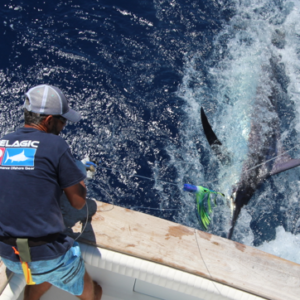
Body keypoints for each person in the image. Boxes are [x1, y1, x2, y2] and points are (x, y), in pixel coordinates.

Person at [0, 84, 102, 300]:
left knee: (38, 277)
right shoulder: (56, 145)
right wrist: (78, 174)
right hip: (47, 255)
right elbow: (78, 203)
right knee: (95, 292)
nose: (63, 126)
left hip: (8, 254)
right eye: (62, 120)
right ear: (48, 120)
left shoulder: (2, 143)